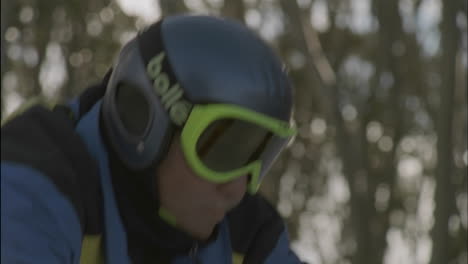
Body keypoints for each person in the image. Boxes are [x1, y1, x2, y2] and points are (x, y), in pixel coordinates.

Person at [1, 15, 305, 264]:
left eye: (257, 157)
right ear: (146, 124)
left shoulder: (246, 235)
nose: (237, 189)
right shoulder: (33, 183)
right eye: (220, 151)